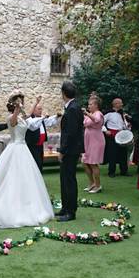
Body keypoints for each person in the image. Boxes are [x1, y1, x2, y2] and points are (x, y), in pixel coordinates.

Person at [0, 91, 54, 228]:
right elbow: (13, 121)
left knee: (26, 178)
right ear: (14, 105)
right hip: (15, 148)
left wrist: (36, 103)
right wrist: (17, 109)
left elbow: (29, 115)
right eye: (19, 102)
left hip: (23, 149)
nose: (22, 104)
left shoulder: (22, 117)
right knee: (11, 177)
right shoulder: (11, 117)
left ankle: (27, 203)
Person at [56, 81, 84, 221]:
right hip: (71, 149)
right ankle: (65, 208)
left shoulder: (73, 108)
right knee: (64, 179)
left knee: (69, 180)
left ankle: (70, 212)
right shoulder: (72, 107)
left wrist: (62, 150)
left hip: (70, 151)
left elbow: (70, 133)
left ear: (63, 93)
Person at [24, 99, 61, 172]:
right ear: (33, 110)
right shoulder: (30, 119)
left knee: (40, 163)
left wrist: (56, 116)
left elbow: (50, 121)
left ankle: (39, 180)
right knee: (35, 163)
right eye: (39, 109)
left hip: (40, 145)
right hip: (33, 145)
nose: (41, 111)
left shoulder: (41, 119)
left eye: (41, 109)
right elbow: (33, 125)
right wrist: (43, 118)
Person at [82, 94, 105, 193]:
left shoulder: (98, 113)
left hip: (96, 141)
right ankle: (92, 183)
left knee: (93, 163)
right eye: (88, 104)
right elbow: (85, 124)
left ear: (96, 105)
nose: (89, 106)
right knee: (85, 162)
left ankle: (98, 185)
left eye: (91, 104)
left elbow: (96, 120)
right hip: (88, 141)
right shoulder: (89, 114)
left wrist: (86, 113)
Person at [103, 97, 129, 177]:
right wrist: (105, 130)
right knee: (112, 154)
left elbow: (124, 125)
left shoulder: (122, 114)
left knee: (123, 154)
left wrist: (127, 126)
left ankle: (124, 171)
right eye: (120, 103)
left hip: (121, 136)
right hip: (112, 136)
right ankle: (111, 172)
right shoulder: (109, 113)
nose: (122, 104)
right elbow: (101, 123)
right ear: (115, 104)